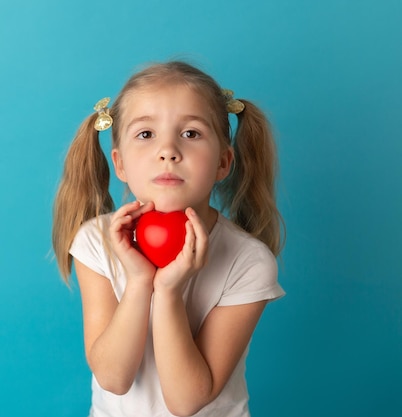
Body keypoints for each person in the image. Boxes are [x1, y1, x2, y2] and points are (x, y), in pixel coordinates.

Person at [52, 61, 285, 417]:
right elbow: (113, 378)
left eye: (190, 133)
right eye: (146, 134)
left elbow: (187, 400)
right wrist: (140, 281)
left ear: (223, 163)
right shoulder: (96, 242)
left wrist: (169, 291)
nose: (168, 151)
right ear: (120, 164)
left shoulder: (249, 261)